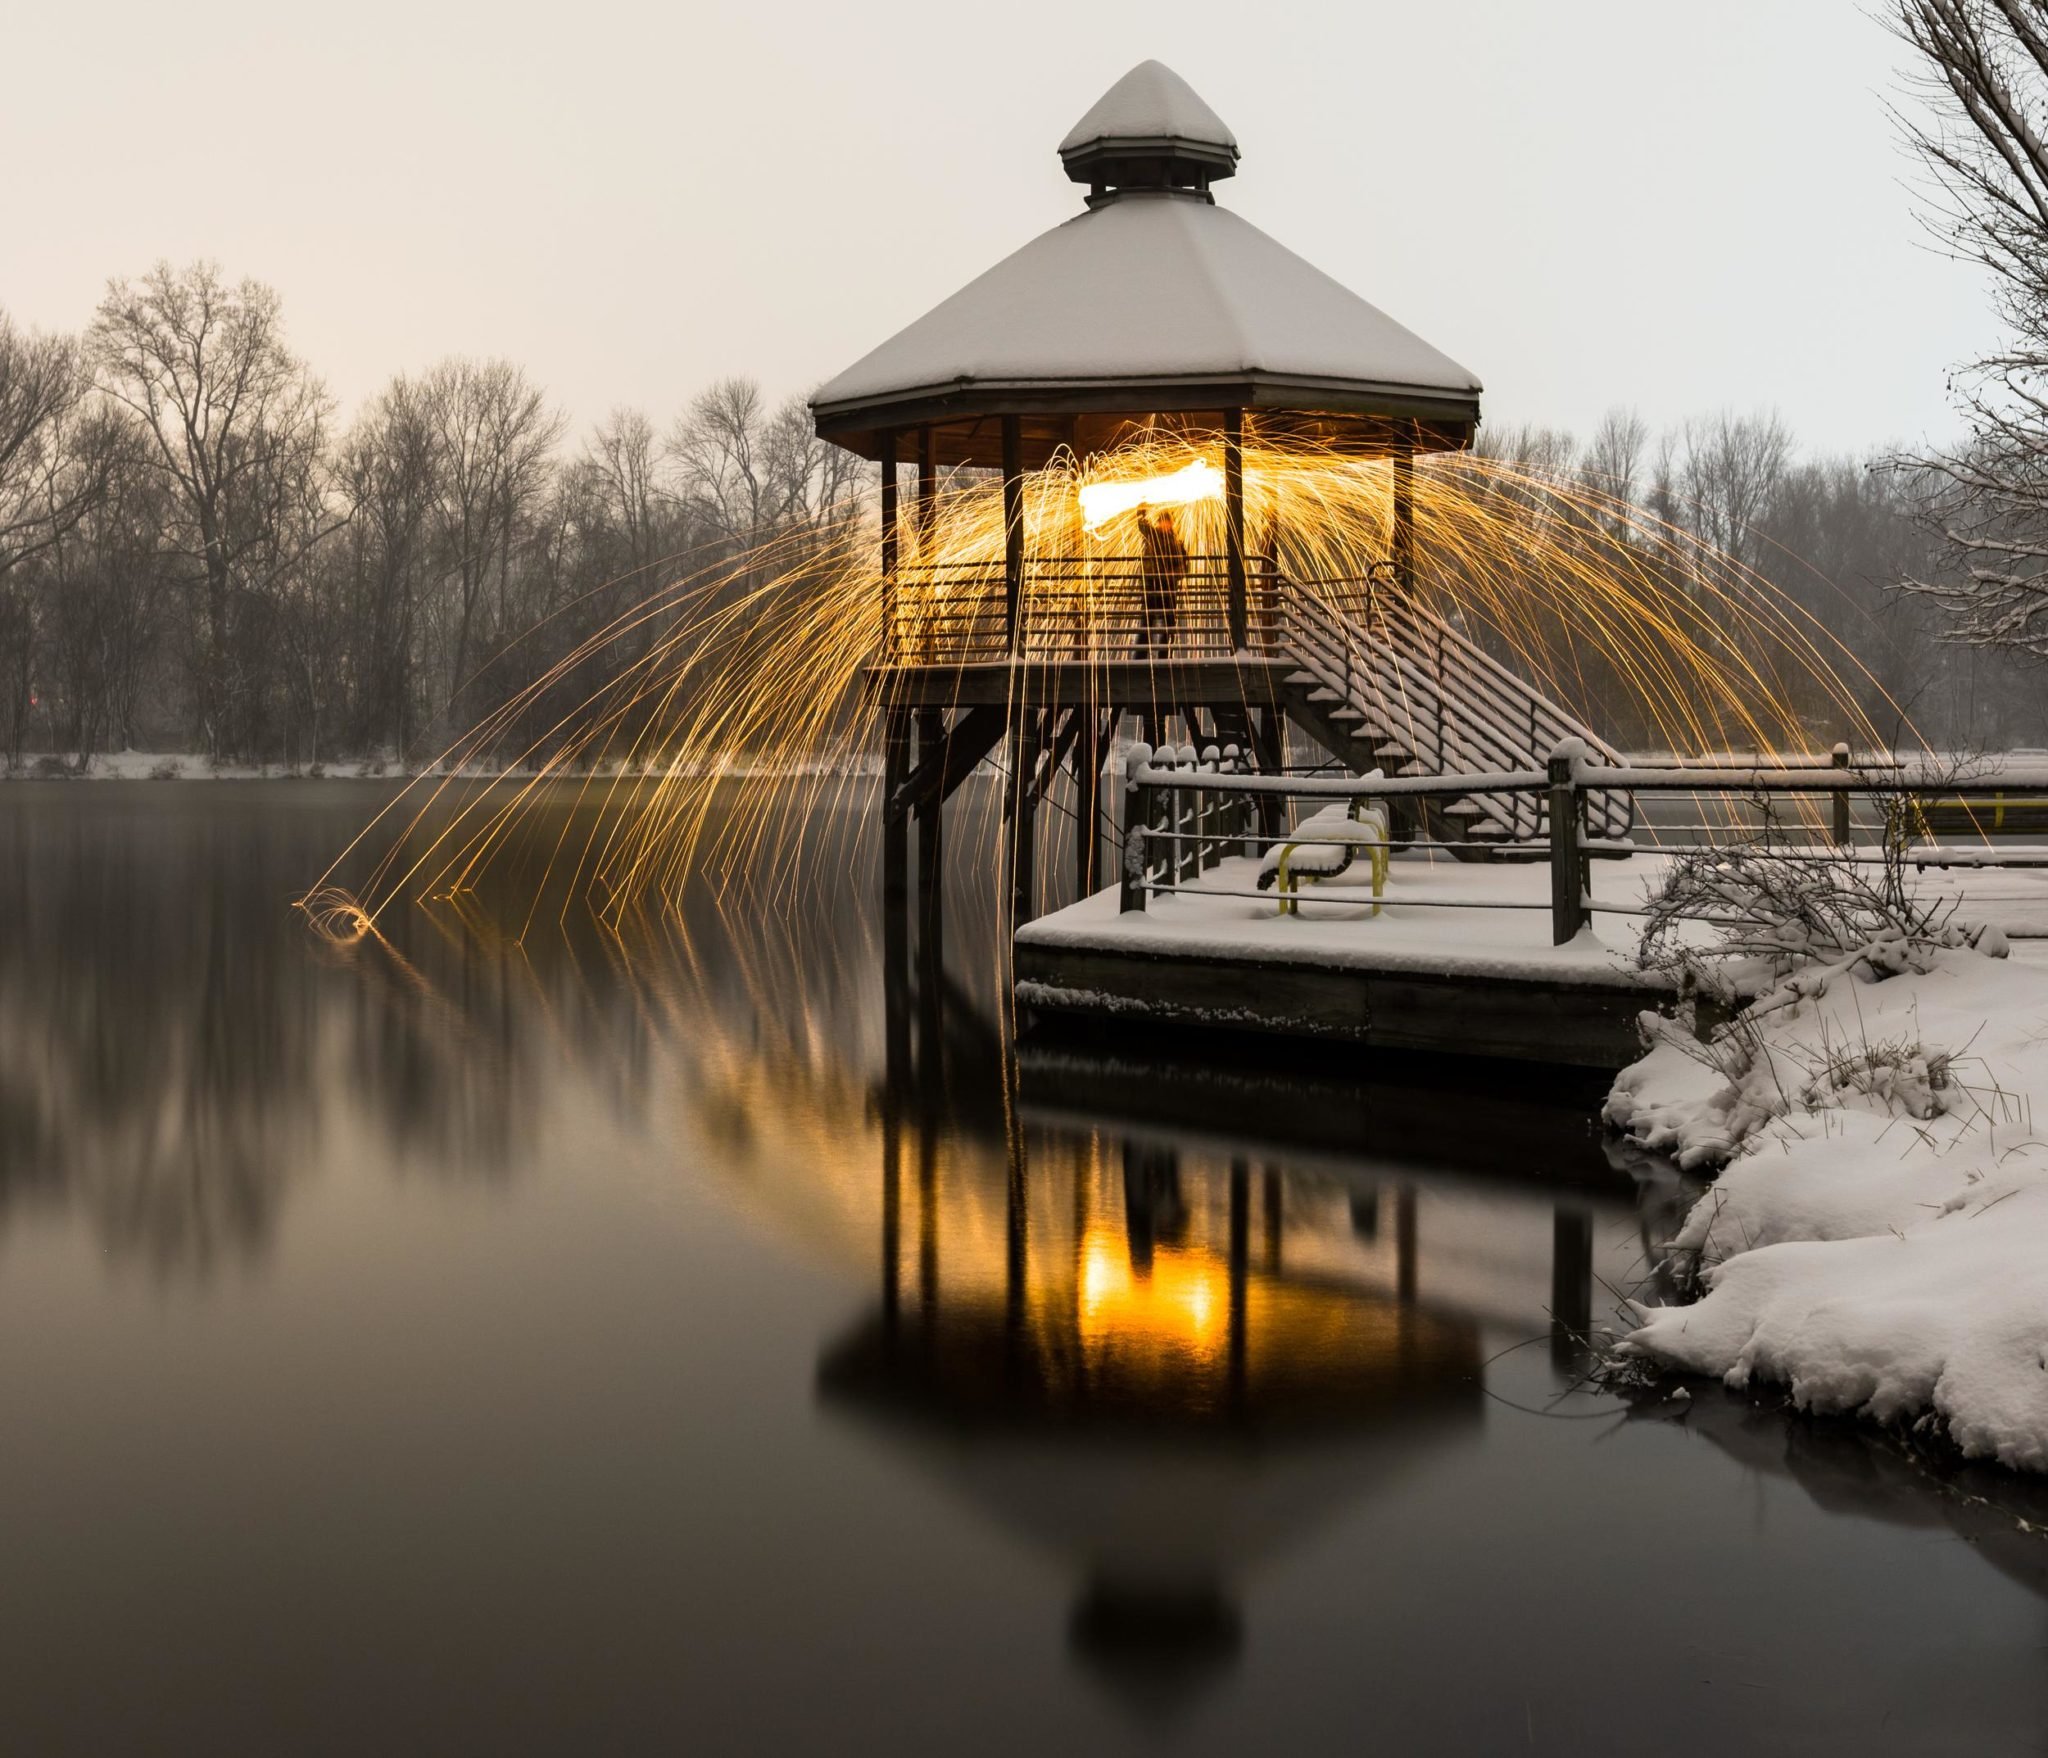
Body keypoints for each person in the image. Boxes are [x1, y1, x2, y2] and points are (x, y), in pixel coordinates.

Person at [1136, 505, 1187, 659]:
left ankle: (1164, 657)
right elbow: (1142, 524)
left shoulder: (1177, 543)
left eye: (1167, 521)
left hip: (1168, 587)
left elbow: (1184, 567)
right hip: (1153, 586)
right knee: (1147, 625)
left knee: (1168, 626)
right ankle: (1141, 657)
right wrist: (1141, 507)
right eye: (1162, 521)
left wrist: (1173, 573)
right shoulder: (1153, 535)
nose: (1164, 524)